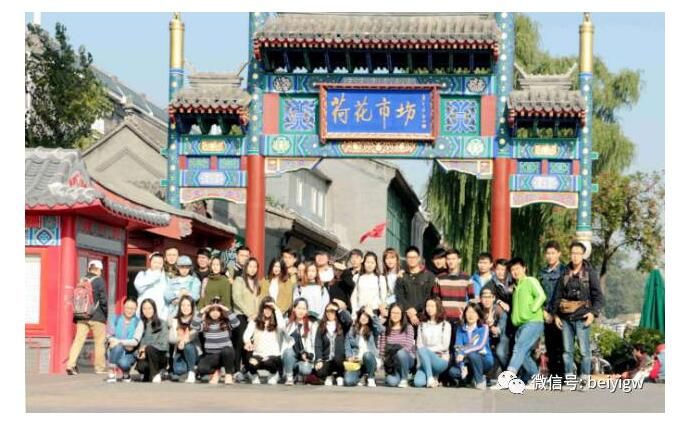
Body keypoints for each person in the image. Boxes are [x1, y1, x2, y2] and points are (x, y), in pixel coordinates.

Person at [552, 241, 603, 391]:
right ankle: (569, 379)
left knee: (584, 351)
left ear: (583, 255)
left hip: (582, 317)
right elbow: (557, 296)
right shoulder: (565, 273)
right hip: (566, 318)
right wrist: (555, 315)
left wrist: (593, 313)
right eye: (573, 253)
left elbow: (599, 297)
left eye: (578, 253)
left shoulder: (589, 273)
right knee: (567, 351)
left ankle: (585, 379)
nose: (575, 256)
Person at [497, 257, 546, 389]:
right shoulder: (516, 287)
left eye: (517, 268)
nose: (515, 272)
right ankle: (537, 379)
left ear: (524, 268)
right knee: (524, 355)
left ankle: (508, 377)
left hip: (533, 321)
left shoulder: (530, 281)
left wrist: (532, 309)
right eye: (512, 270)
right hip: (520, 324)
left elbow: (541, 296)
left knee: (519, 348)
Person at [66, 260, 108, 375]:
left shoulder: (82, 281)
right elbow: (103, 300)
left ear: (89, 269)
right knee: (99, 342)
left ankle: (70, 365)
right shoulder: (99, 281)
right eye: (100, 270)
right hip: (97, 316)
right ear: (98, 270)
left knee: (78, 340)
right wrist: (105, 315)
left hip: (82, 316)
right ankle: (99, 368)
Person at [448, 303, 493, 390]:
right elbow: (458, 348)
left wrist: (463, 352)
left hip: (484, 359)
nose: (471, 315)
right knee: (453, 371)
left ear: (478, 315)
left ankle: (479, 381)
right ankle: (473, 377)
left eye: (474, 312)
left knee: (472, 354)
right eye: (468, 312)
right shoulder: (460, 329)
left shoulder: (484, 328)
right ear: (465, 314)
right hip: (467, 362)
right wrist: (462, 365)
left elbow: (480, 345)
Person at [243, 296, 286, 385]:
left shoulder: (277, 322)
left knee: (268, 362)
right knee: (251, 362)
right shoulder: (255, 321)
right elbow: (246, 335)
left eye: (270, 308)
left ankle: (274, 374)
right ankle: (253, 375)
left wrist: (276, 309)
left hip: (273, 355)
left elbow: (282, 326)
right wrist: (248, 342)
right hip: (258, 354)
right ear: (261, 309)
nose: (267, 311)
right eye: (265, 308)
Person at [538, 240, 566, 379]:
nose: (550, 256)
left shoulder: (564, 271)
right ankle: (553, 376)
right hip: (546, 314)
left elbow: (565, 294)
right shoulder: (541, 273)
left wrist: (556, 314)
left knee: (562, 346)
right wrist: (544, 312)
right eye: (548, 253)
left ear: (559, 254)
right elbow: (537, 294)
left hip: (561, 315)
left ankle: (562, 376)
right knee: (550, 346)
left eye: (553, 253)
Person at [197, 300, 240, 384]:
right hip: (212, 355)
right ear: (209, 312)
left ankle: (228, 374)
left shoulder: (225, 323)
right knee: (201, 368)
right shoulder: (205, 324)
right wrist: (202, 311)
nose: (215, 313)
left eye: (217, 310)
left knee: (227, 350)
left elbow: (237, 323)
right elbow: (194, 325)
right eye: (212, 310)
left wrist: (226, 309)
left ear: (221, 312)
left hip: (225, 355)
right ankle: (217, 371)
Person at [232, 257, 261, 377]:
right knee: (240, 341)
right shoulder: (239, 280)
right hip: (241, 315)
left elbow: (258, 300)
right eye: (250, 266)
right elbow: (237, 298)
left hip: (254, 317)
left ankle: (247, 368)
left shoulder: (257, 283)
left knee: (251, 342)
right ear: (246, 267)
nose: (253, 269)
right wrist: (249, 313)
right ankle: (236, 370)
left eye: (255, 267)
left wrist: (256, 314)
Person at [395, 246, 436, 332]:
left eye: (414, 257)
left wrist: (415, 310)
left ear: (419, 258)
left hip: (424, 316)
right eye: (409, 257)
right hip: (406, 317)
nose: (412, 260)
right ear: (406, 259)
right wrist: (409, 311)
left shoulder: (429, 276)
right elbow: (399, 296)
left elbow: (429, 295)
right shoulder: (401, 276)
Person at [414, 297, 451, 388]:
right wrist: (419, 363)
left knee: (423, 349)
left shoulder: (445, 325)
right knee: (418, 383)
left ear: (438, 307)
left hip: (440, 359)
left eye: (432, 306)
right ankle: (432, 376)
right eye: (427, 306)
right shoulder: (422, 325)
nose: (429, 308)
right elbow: (419, 345)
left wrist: (427, 351)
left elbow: (445, 346)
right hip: (424, 359)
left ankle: (430, 378)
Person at [314, 301, 353, 386]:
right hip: (327, 360)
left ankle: (339, 375)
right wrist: (319, 360)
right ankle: (330, 375)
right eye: (327, 311)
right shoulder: (321, 326)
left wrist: (338, 309)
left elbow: (349, 321)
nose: (329, 313)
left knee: (337, 359)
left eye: (332, 311)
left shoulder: (342, 325)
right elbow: (318, 345)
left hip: (340, 360)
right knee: (319, 371)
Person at [344, 306, 384, 387]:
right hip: (357, 361)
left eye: (366, 316)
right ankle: (362, 375)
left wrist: (372, 314)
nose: (364, 318)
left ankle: (370, 377)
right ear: (359, 316)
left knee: (367, 355)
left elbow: (381, 329)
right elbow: (347, 345)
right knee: (348, 381)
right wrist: (349, 357)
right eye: (362, 315)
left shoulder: (373, 329)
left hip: (370, 359)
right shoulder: (352, 329)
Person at [378, 303, 416, 388]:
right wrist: (383, 360)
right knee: (392, 382)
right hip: (392, 363)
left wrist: (397, 356)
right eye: (393, 313)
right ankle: (399, 375)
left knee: (401, 353)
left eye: (398, 313)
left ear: (402, 314)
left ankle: (404, 378)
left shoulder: (408, 327)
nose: (395, 315)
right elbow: (382, 347)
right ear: (389, 314)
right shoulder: (385, 328)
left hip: (407, 359)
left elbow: (408, 347)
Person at [431, 248, 473, 325]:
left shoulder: (467, 278)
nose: (451, 261)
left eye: (453, 259)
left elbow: (471, 300)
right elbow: (435, 299)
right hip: (443, 319)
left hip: (460, 319)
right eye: (448, 259)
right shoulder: (439, 278)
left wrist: (466, 314)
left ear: (459, 260)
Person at [281, 298, 318, 385]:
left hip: (305, 356)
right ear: (294, 309)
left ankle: (298, 373)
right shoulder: (287, 323)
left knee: (306, 370)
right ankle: (289, 376)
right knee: (288, 352)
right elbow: (279, 322)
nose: (301, 311)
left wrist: (310, 355)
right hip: (291, 355)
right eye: (299, 308)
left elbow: (314, 343)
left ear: (307, 310)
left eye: (304, 309)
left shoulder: (312, 325)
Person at [105, 297, 141, 383]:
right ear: (123, 307)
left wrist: (119, 341)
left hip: (130, 352)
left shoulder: (138, 322)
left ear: (136, 309)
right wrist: (114, 341)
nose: (130, 310)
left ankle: (126, 372)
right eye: (128, 307)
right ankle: (111, 371)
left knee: (124, 363)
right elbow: (109, 335)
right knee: (118, 347)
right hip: (114, 349)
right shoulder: (115, 319)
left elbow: (135, 341)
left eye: (132, 308)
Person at [135, 299, 169, 383]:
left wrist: (146, 348)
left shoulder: (162, 323)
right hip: (146, 357)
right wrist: (140, 352)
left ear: (154, 309)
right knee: (141, 366)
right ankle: (151, 374)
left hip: (160, 356)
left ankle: (155, 374)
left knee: (149, 348)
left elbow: (164, 345)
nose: (147, 311)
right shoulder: (140, 324)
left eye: (149, 308)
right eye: (144, 308)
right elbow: (137, 344)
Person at [169, 295, 201, 383]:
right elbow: (171, 339)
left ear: (192, 307)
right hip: (180, 351)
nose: (185, 308)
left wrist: (184, 340)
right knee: (179, 371)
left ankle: (191, 372)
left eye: (188, 305)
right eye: (183, 305)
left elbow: (195, 333)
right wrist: (179, 340)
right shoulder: (175, 320)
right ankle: (194, 369)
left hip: (194, 351)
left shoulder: (196, 320)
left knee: (188, 346)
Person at [479, 285, 509, 373]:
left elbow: (499, 330)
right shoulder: (478, 310)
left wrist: (491, 325)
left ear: (494, 298)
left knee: (500, 352)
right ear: (480, 299)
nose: (487, 300)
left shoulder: (499, 310)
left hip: (503, 335)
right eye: (484, 297)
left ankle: (509, 372)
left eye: (489, 297)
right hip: (487, 338)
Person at [350, 252, 388, 317]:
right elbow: (354, 297)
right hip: (360, 312)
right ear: (364, 263)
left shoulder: (381, 278)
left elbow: (383, 298)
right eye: (367, 262)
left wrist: (381, 314)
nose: (370, 265)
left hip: (375, 312)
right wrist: (354, 312)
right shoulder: (357, 277)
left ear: (376, 264)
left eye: (372, 263)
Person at [164, 255, 201, 321]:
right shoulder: (172, 281)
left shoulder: (194, 280)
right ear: (177, 267)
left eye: (187, 267)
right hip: (173, 313)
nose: (184, 270)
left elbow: (196, 296)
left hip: (189, 314)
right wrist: (178, 293)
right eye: (182, 267)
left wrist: (181, 298)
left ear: (190, 268)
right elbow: (167, 296)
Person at [134, 252, 169, 320]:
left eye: (160, 263)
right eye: (155, 262)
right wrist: (156, 275)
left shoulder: (166, 278)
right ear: (150, 262)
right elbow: (138, 286)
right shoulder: (142, 274)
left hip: (160, 313)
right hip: (144, 312)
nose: (157, 265)